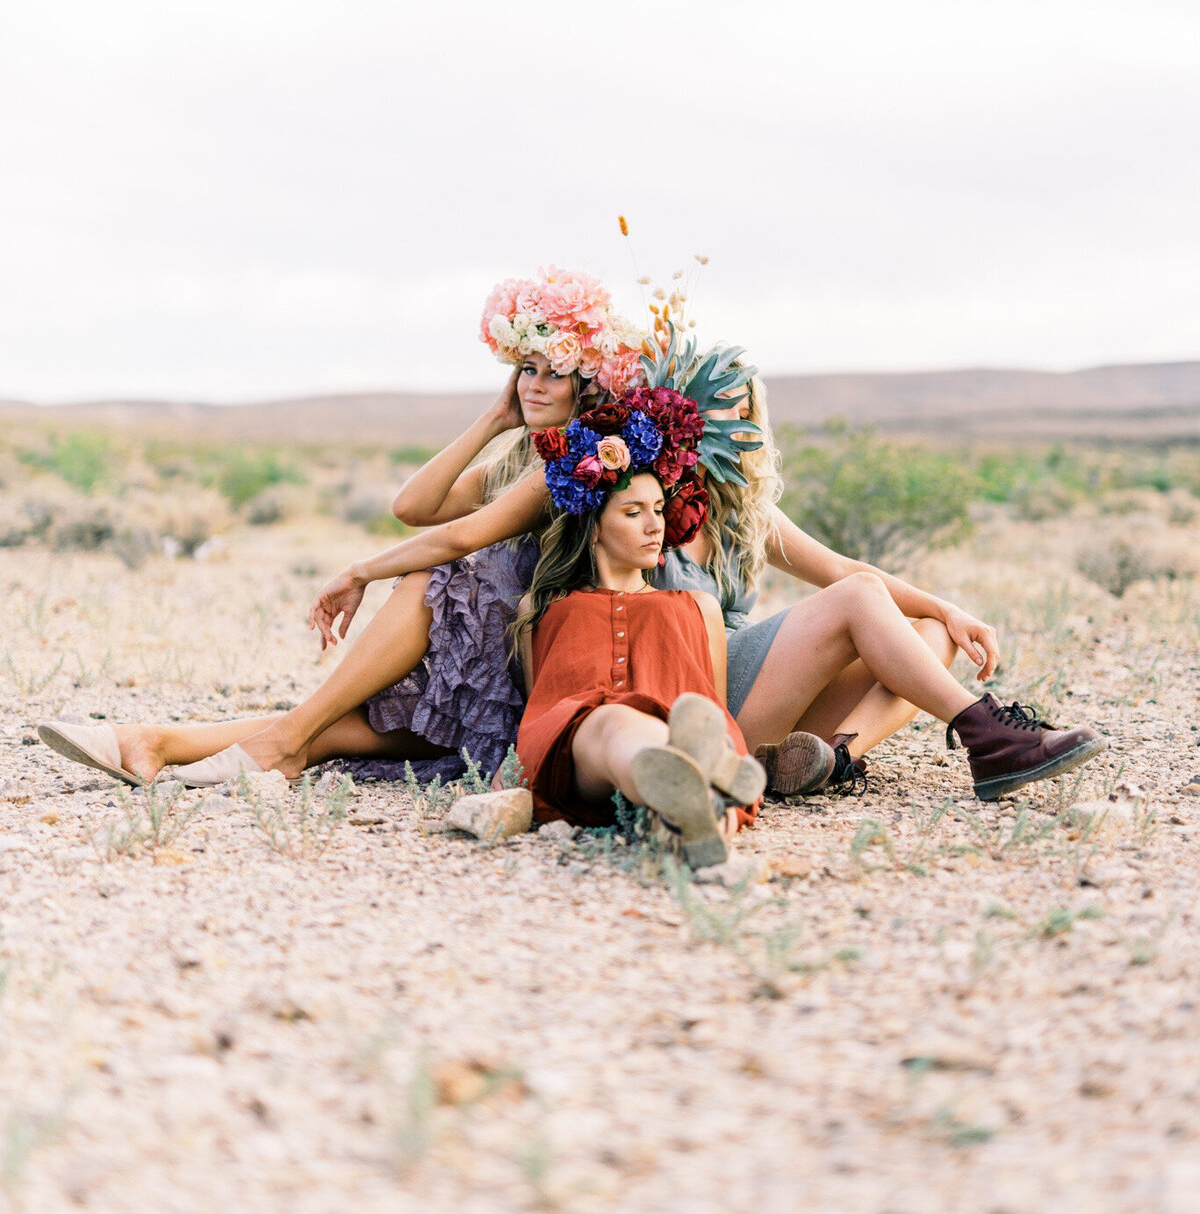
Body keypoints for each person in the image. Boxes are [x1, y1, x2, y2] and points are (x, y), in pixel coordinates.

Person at [37, 268, 645, 789]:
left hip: (534, 668)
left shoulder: (580, 462)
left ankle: (274, 741)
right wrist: (493, 418)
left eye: (552, 372)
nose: (534, 385)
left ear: (587, 382)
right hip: (486, 666)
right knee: (337, 729)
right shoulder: (519, 456)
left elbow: (461, 539)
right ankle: (153, 742)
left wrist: (358, 571)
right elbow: (414, 504)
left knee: (432, 574)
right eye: (524, 369)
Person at [644, 328, 1106, 801]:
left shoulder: (742, 508)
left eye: (745, 411)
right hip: (701, 698)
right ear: (680, 404)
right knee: (861, 595)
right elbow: (853, 587)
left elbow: (839, 568)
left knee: (933, 633)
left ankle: (826, 761)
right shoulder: (639, 501)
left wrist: (948, 610)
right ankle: (988, 736)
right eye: (723, 405)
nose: (736, 422)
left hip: (763, 702)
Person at [511, 397, 765, 866]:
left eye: (659, 509)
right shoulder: (544, 607)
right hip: (583, 749)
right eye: (633, 513)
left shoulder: (699, 607)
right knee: (615, 722)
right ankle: (696, 778)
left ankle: (696, 819)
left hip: (676, 730)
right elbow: (542, 708)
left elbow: (714, 710)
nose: (655, 525)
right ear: (593, 529)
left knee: (683, 734)